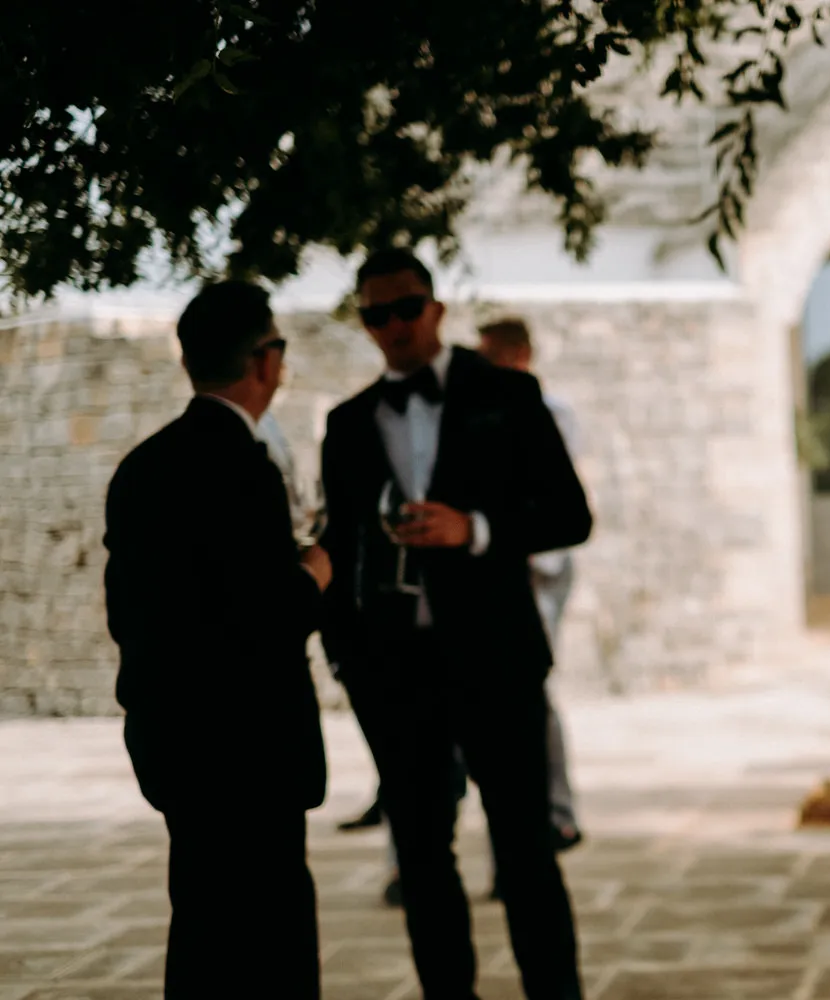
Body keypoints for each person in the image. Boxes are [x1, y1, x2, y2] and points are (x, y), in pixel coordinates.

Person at [319, 248, 591, 1000]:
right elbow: (339, 549)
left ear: (435, 310)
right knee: (422, 858)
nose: (395, 326)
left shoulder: (509, 394)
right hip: (398, 674)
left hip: (498, 660)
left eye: (407, 308)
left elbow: (571, 515)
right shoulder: (347, 425)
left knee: (527, 851)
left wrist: (473, 528)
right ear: (366, 325)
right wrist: (351, 665)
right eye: (377, 315)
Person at [103, 280, 332, 999]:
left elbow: (128, 611)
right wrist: (316, 571)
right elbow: (267, 618)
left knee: (201, 927)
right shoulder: (245, 468)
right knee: (273, 940)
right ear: (265, 361)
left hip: (174, 739)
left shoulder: (142, 467)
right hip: (250, 748)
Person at [476, 317, 584, 850]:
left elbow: (557, 505)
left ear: (516, 355)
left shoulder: (546, 411)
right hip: (497, 567)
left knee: (532, 691)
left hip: (539, 567)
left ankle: (554, 812)